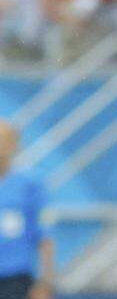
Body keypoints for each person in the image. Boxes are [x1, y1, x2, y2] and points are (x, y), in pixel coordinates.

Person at [0, 122, 53, 299]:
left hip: (15, 278)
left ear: (15, 145)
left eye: (5, 140)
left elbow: (44, 237)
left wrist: (45, 283)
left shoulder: (31, 184)